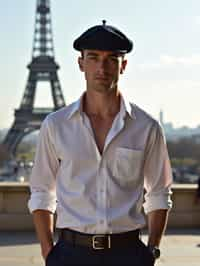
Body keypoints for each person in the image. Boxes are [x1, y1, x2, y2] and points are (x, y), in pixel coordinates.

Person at [28, 20, 173, 266]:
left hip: (129, 254)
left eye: (111, 59)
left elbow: (159, 193)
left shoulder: (147, 127)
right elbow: (42, 191)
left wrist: (152, 251)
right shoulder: (56, 125)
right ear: (80, 63)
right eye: (93, 58)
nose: (102, 68)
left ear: (123, 66)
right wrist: (48, 252)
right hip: (69, 255)